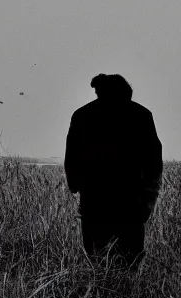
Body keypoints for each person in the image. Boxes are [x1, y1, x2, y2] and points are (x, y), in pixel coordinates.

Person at [64, 74, 163, 272]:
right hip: (130, 202)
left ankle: (103, 297)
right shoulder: (141, 114)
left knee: (97, 260)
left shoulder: (83, 115)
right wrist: (148, 200)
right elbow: (153, 162)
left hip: (94, 201)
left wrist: (76, 185)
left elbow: (71, 157)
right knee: (130, 261)